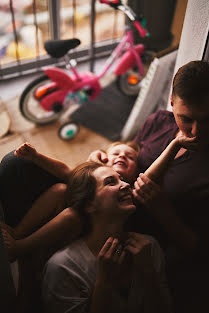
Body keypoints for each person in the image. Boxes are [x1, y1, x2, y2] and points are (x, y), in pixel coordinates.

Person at [89, 60, 209, 313]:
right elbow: (129, 153)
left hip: (143, 244)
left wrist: (164, 212)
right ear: (172, 103)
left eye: (208, 120)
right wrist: (105, 159)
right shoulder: (158, 123)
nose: (197, 131)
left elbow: (198, 250)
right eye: (186, 119)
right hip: (108, 212)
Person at [1, 134, 195, 261]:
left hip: (87, 229)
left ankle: (20, 247)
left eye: (130, 157)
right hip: (71, 214)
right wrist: (36, 156)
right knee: (60, 189)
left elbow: (150, 177)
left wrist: (174, 145)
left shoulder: (128, 191)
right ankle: (17, 233)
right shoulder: (95, 173)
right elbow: (67, 171)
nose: (121, 157)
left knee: (72, 216)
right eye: (116, 153)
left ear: (136, 171)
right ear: (104, 160)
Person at [42, 161, 173, 313]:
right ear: (89, 205)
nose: (125, 185)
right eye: (110, 182)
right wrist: (104, 282)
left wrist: (149, 272)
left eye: (122, 179)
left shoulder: (149, 247)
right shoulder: (63, 267)